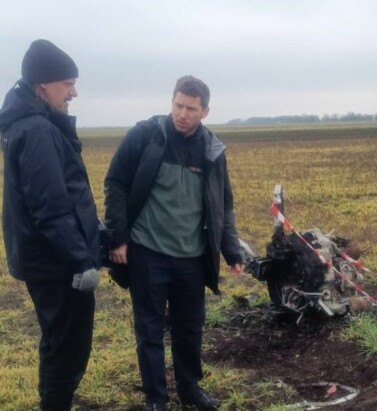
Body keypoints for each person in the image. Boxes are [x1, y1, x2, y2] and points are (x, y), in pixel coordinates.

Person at [104, 75, 245, 411]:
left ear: (205, 112)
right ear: (172, 102)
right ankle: (156, 399)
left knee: (189, 328)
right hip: (147, 253)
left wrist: (231, 250)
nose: (182, 114)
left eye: (191, 109)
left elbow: (222, 203)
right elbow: (116, 184)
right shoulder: (145, 136)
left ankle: (189, 388)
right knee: (150, 331)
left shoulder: (211, 150)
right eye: (178, 105)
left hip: (191, 258)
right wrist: (118, 238)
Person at [0, 39, 101, 411]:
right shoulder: (38, 131)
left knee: (57, 340)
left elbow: (60, 196)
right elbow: (49, 206)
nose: (74, 91)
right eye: (67, 83)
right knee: (68, 348)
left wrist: (93, 225)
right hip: (58, 265)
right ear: (43, 85)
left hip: (45, 259)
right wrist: (80, 260)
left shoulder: (28, 125)